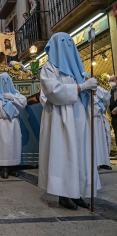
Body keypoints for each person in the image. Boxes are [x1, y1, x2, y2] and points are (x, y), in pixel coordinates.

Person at [38, 32, 100, 210]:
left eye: (69, 42)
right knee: (64, 154)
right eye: (63, 42)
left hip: (78, 115)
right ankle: (64, 194)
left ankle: (78, 191)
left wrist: (91, 87)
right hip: (60, 117)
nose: (67, 45)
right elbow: (53, 91)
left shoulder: (77, 69)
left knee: (79, 153)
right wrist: (82, 87)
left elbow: (84, 92)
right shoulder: (49, 68)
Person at [94, 87, 112, 170]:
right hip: (92, 119)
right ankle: (95, 162)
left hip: (99, 119)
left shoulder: (98, 89)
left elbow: (107, 97)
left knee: (102, 141)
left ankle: (103, 161)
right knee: (95, 141)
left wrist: (97, 90)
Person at [109, 76, 117, 153]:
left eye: (112, 80)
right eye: (109, 81)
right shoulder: (110, 91)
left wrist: (116, 110)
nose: (110, 82)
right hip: (114, 118)